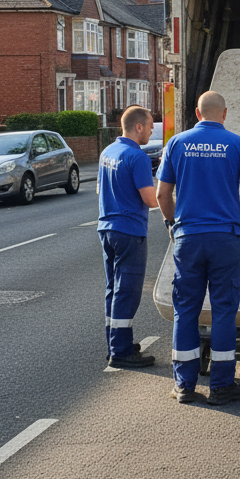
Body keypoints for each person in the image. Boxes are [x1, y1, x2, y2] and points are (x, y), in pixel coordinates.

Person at [157, 91, 240, 406]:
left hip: (189, 239)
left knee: (186, 310)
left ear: (197, 113)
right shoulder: (236, 144)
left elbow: (162, 194)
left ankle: (184, 385)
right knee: (223, 310)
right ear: (224, 114)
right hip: (225, 239)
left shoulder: (176, 144)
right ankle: (221, 386)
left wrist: (171, 224)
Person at [98, 105, 160, 369]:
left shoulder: (107, 152)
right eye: (149, 126)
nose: (151, 130)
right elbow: (150, 198)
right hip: (130, 230)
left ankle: (115, 343)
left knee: (114, 288)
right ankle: (122, 352)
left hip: (107, 227)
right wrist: (178, 200)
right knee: (128, 291)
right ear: (138, 127)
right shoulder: (138, 158)